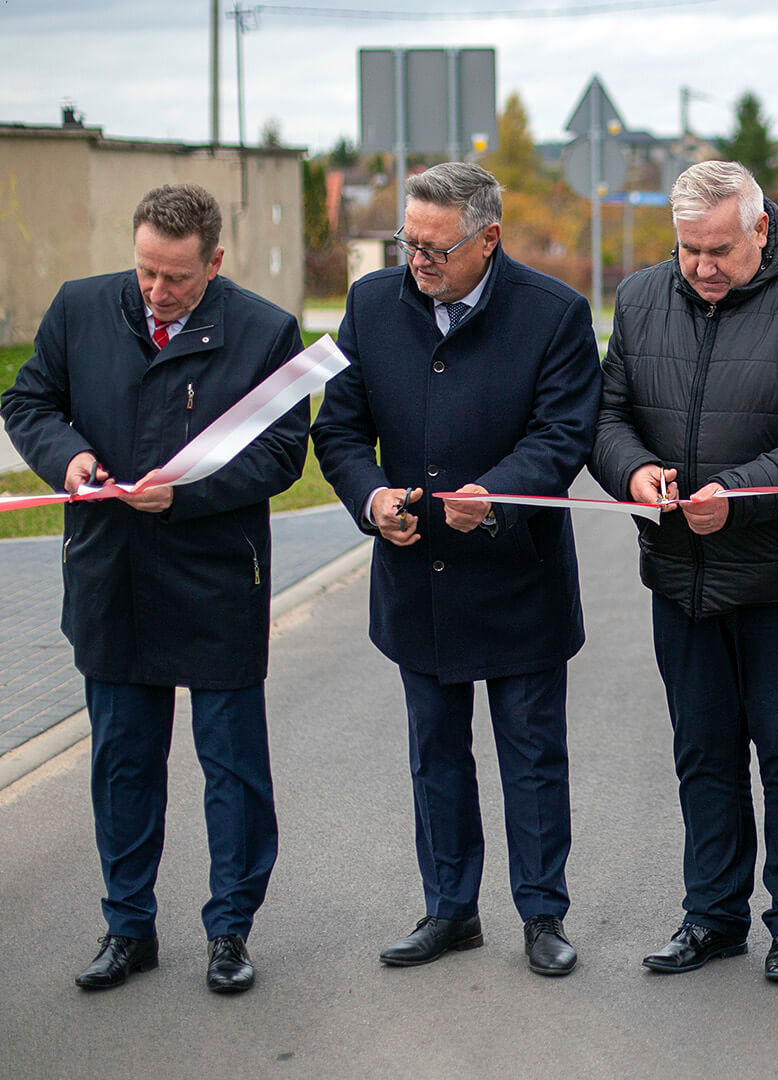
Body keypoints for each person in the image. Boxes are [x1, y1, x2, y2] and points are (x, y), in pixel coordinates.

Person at [0, 183, 305, 994]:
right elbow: (28, 400)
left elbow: (282, 456)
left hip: (214, 580)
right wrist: (65, 457)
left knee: (232, 770)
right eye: (145, 273)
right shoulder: (80, 308)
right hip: (111, 576)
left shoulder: (266, 331)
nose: (157, 292)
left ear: (215, 261)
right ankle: (127, 927)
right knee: (122, 763)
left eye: (175, 277)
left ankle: (230, 931)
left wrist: (187, 493)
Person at [311, 162, 601, 978]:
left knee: (532, 755)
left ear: (489, 238)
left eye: (436, 249)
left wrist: (498, 493)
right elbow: (336, 430)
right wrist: (370, 498)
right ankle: (449, 911)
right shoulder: (373, 305)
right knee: (435, 752)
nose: (418, 261)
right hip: (417, 577)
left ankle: (543, 915)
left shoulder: (553, 314)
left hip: (518, 577)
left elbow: (564, 433)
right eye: (410, 242)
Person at [590, 161, 778, 984]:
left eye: (719, 249)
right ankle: (712, 916)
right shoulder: (640, 299)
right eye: (688, 250)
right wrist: (635, 473)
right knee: (702, 753)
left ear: (760, 230)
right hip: (680, 576)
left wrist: (737, 497)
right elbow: (608, 416)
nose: (703, 267)